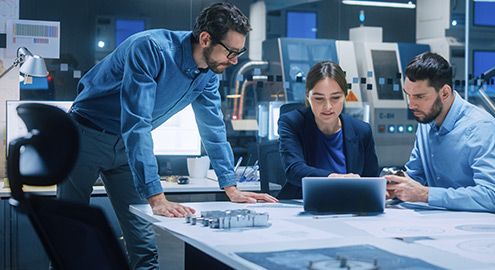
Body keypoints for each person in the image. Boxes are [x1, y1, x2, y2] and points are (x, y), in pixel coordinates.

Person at [58, 3, 277, 269]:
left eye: (238, 53)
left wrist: (230, 186)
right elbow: (136, 124)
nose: (233, 61)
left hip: (127, 149)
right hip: (86, 135)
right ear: (206, 38)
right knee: (70, 235)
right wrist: (156, 197)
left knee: (144, 243)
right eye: (231, 52)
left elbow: (213, 128)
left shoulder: (208, 74)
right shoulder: (150, 49)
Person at [385, 52, 495, 216]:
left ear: (445, 93)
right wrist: (394, 186)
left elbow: (493, 197)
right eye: (408, 95)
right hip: (445, 218)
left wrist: (425, 194)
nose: (411, 105)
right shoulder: (427, 122)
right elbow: (416, 176)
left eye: (420, 97)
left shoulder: (481, 128)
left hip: (490, 224)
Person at [277, 61, 380, 199]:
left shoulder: (362, 130)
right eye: (319, 99)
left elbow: (371, 181)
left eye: (335, 98)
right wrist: (335, 178)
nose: (328, 107)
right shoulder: (292, 123)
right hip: (304, 205)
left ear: (345, 95)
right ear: (308, 95)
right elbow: (294, 169)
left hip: (351, 209)